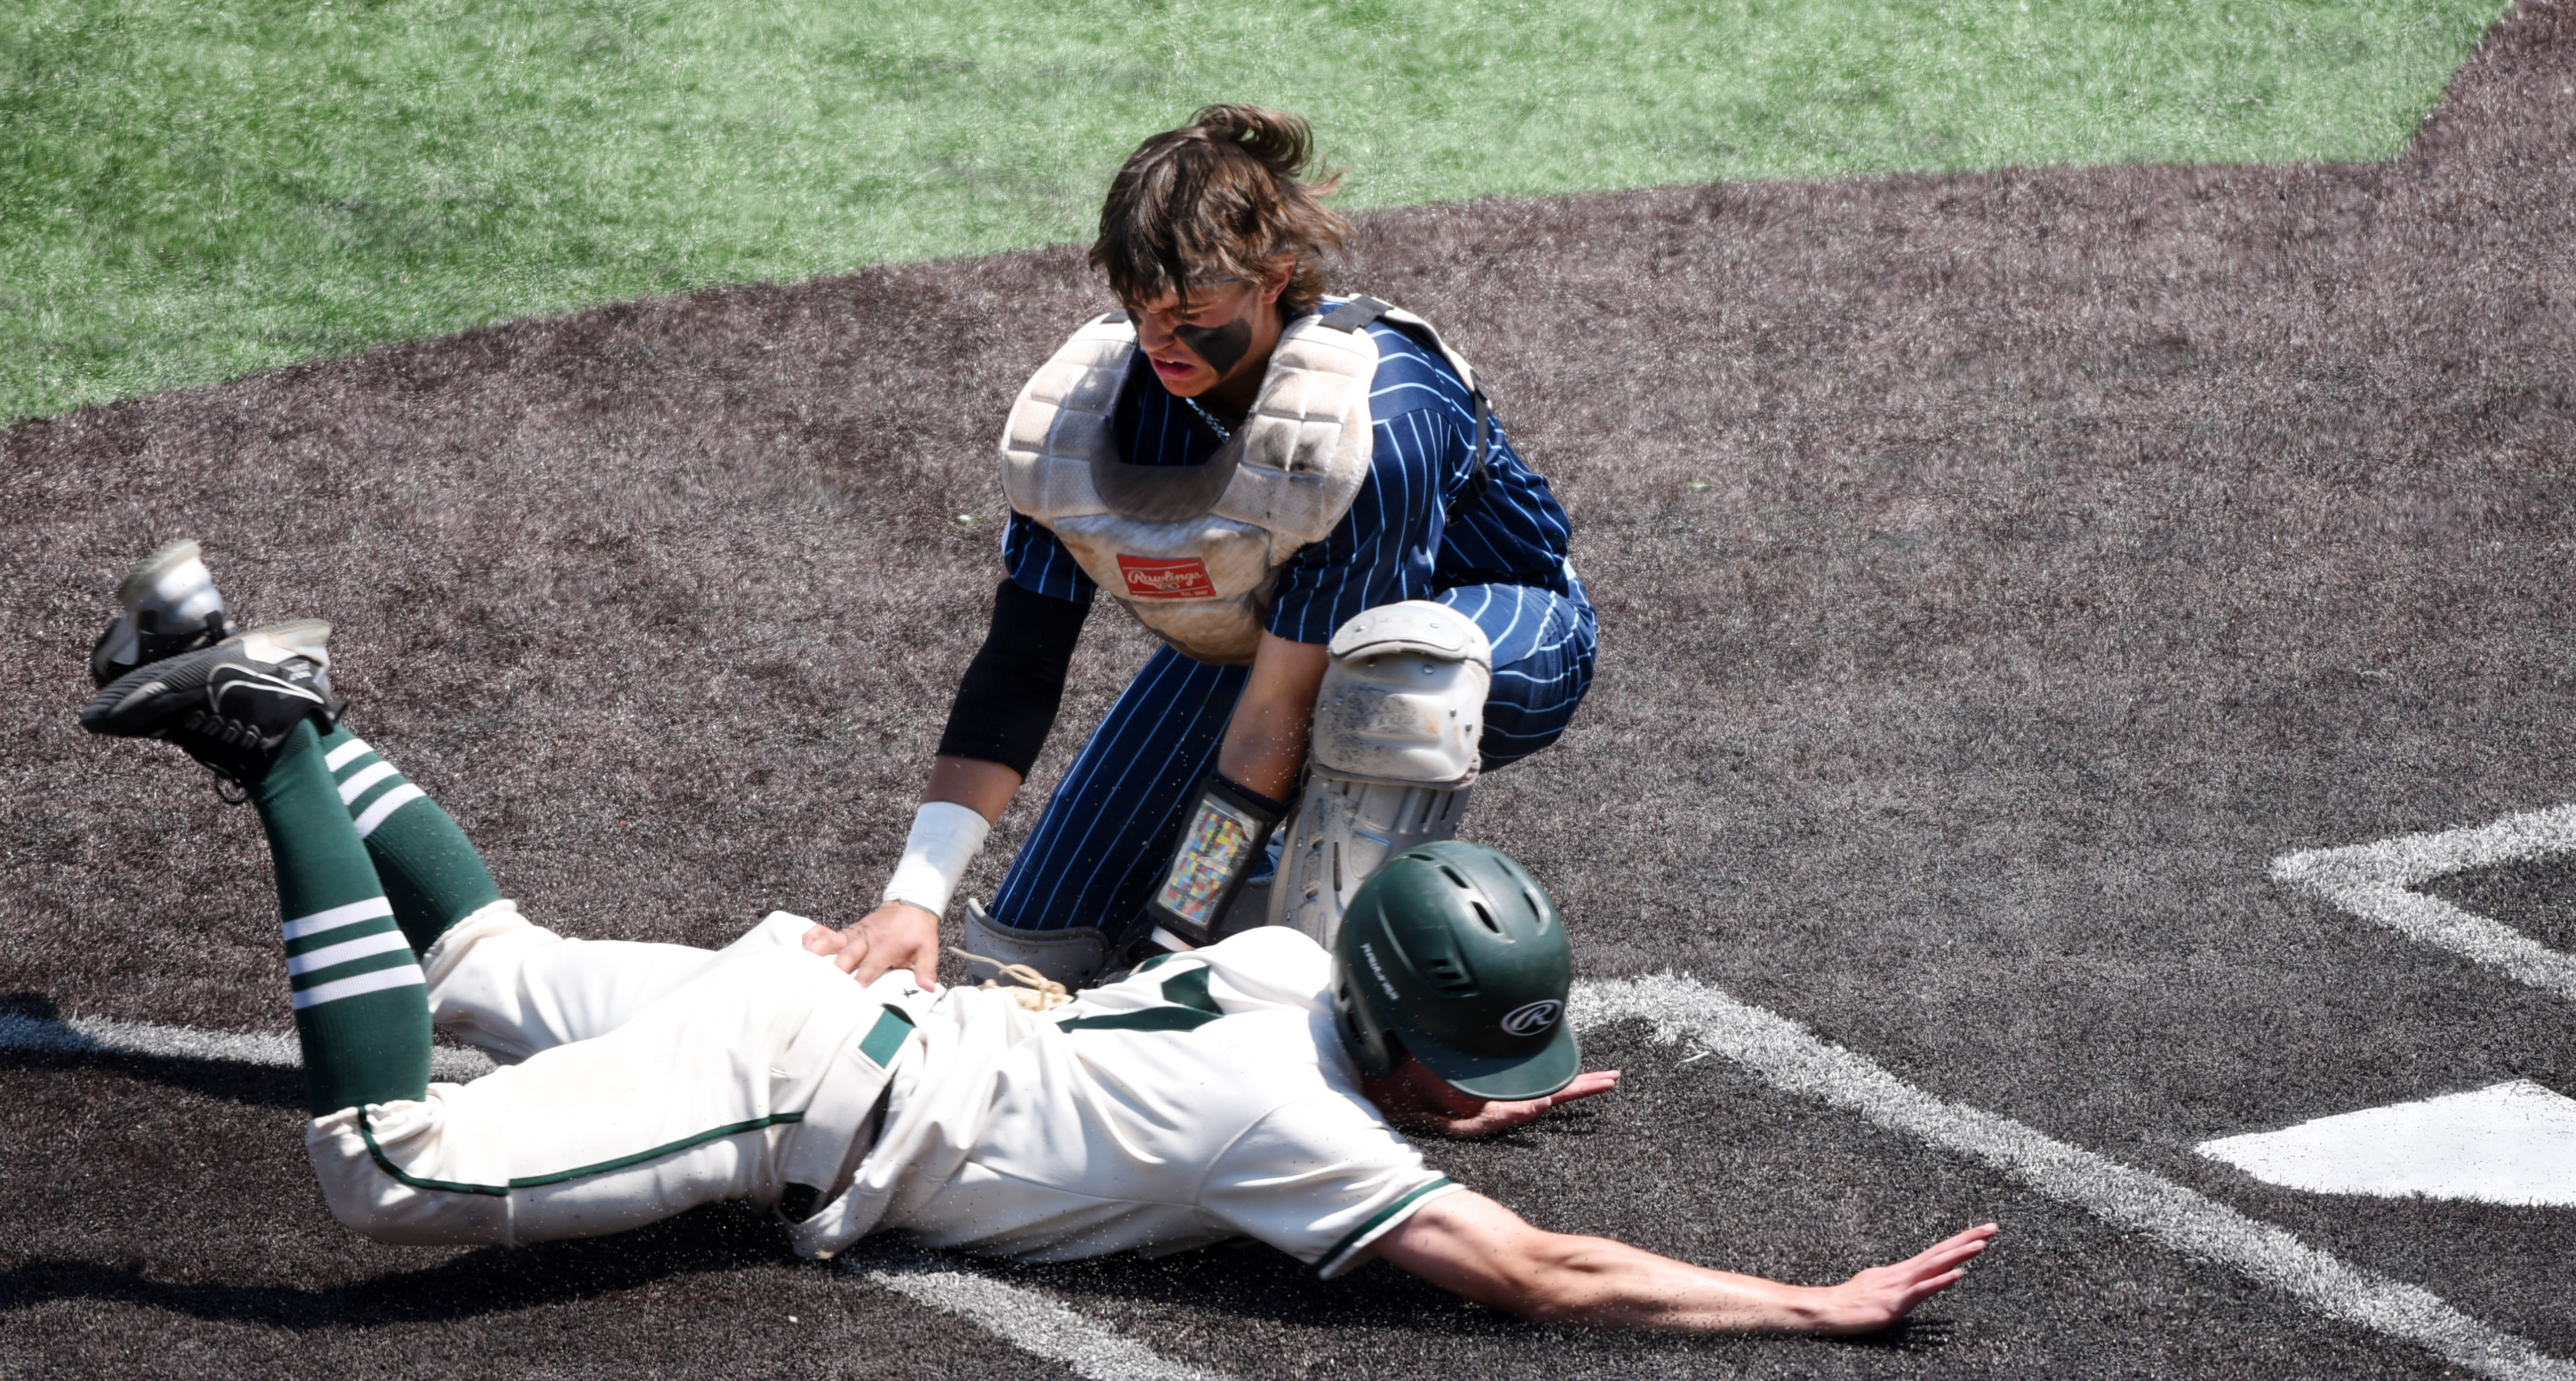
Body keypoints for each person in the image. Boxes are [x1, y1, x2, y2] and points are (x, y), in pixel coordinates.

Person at [74, 552, 1993, 1334]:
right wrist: (1805, 1303)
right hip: (789, 1085)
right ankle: (264, 735)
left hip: (826, 996)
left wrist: (1436, 1088)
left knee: (485, 964)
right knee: (386, 1169)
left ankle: (254, 670)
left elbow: (1369, 1063)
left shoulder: (1275, 979)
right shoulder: (1305, 1135)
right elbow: (1552, 1276)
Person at [830, 105, 1601, 991]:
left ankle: (1341, 1012)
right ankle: (1257, 896)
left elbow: (1282, 716)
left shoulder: (1373, 416)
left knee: (1389, 688)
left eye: (1191, 311)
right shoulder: (1087, 412)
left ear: (1275, 276)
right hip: (1271, 637)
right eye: (1139, 310)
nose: (1161, 341)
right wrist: (913, 898)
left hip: (1501, 626)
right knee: (1032, 956)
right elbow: (1021, 661)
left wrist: (1179, 933)